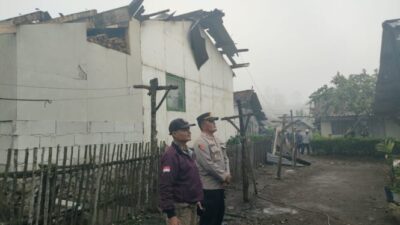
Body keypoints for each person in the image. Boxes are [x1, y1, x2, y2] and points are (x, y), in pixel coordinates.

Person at [159, 118, 204, 225]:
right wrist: (171, 215)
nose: (189, 132)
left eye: (189, 129)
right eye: (184, 130)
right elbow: (166, 185)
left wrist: (197, 199)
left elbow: (190, 179)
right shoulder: (171, 156)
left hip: (191, 206)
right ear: (174, 133)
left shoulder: (188, 153)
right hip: (180, 209)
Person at [193, 112, 231, 225]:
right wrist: (224, 176)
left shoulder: (217, 140)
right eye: (211, 121)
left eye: (214, 120)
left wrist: (227, 174)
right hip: (208, 189)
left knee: (219, 216)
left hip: (219, 187)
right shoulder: (200, 142)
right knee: (208, 219)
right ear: (203, 124)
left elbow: (226, 158)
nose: (214, 123)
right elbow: (208, 165)